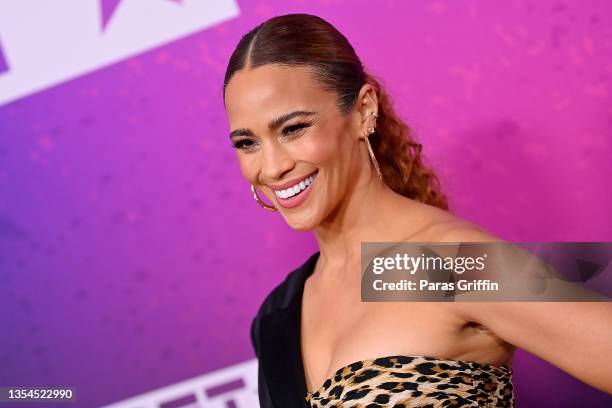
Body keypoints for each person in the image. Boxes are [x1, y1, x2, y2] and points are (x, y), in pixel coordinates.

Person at [222, 13, 612, 407]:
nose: (271, 168)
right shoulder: (279, 313)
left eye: (293, 129)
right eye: (247, 143)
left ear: (363, 111)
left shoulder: (441, 264)